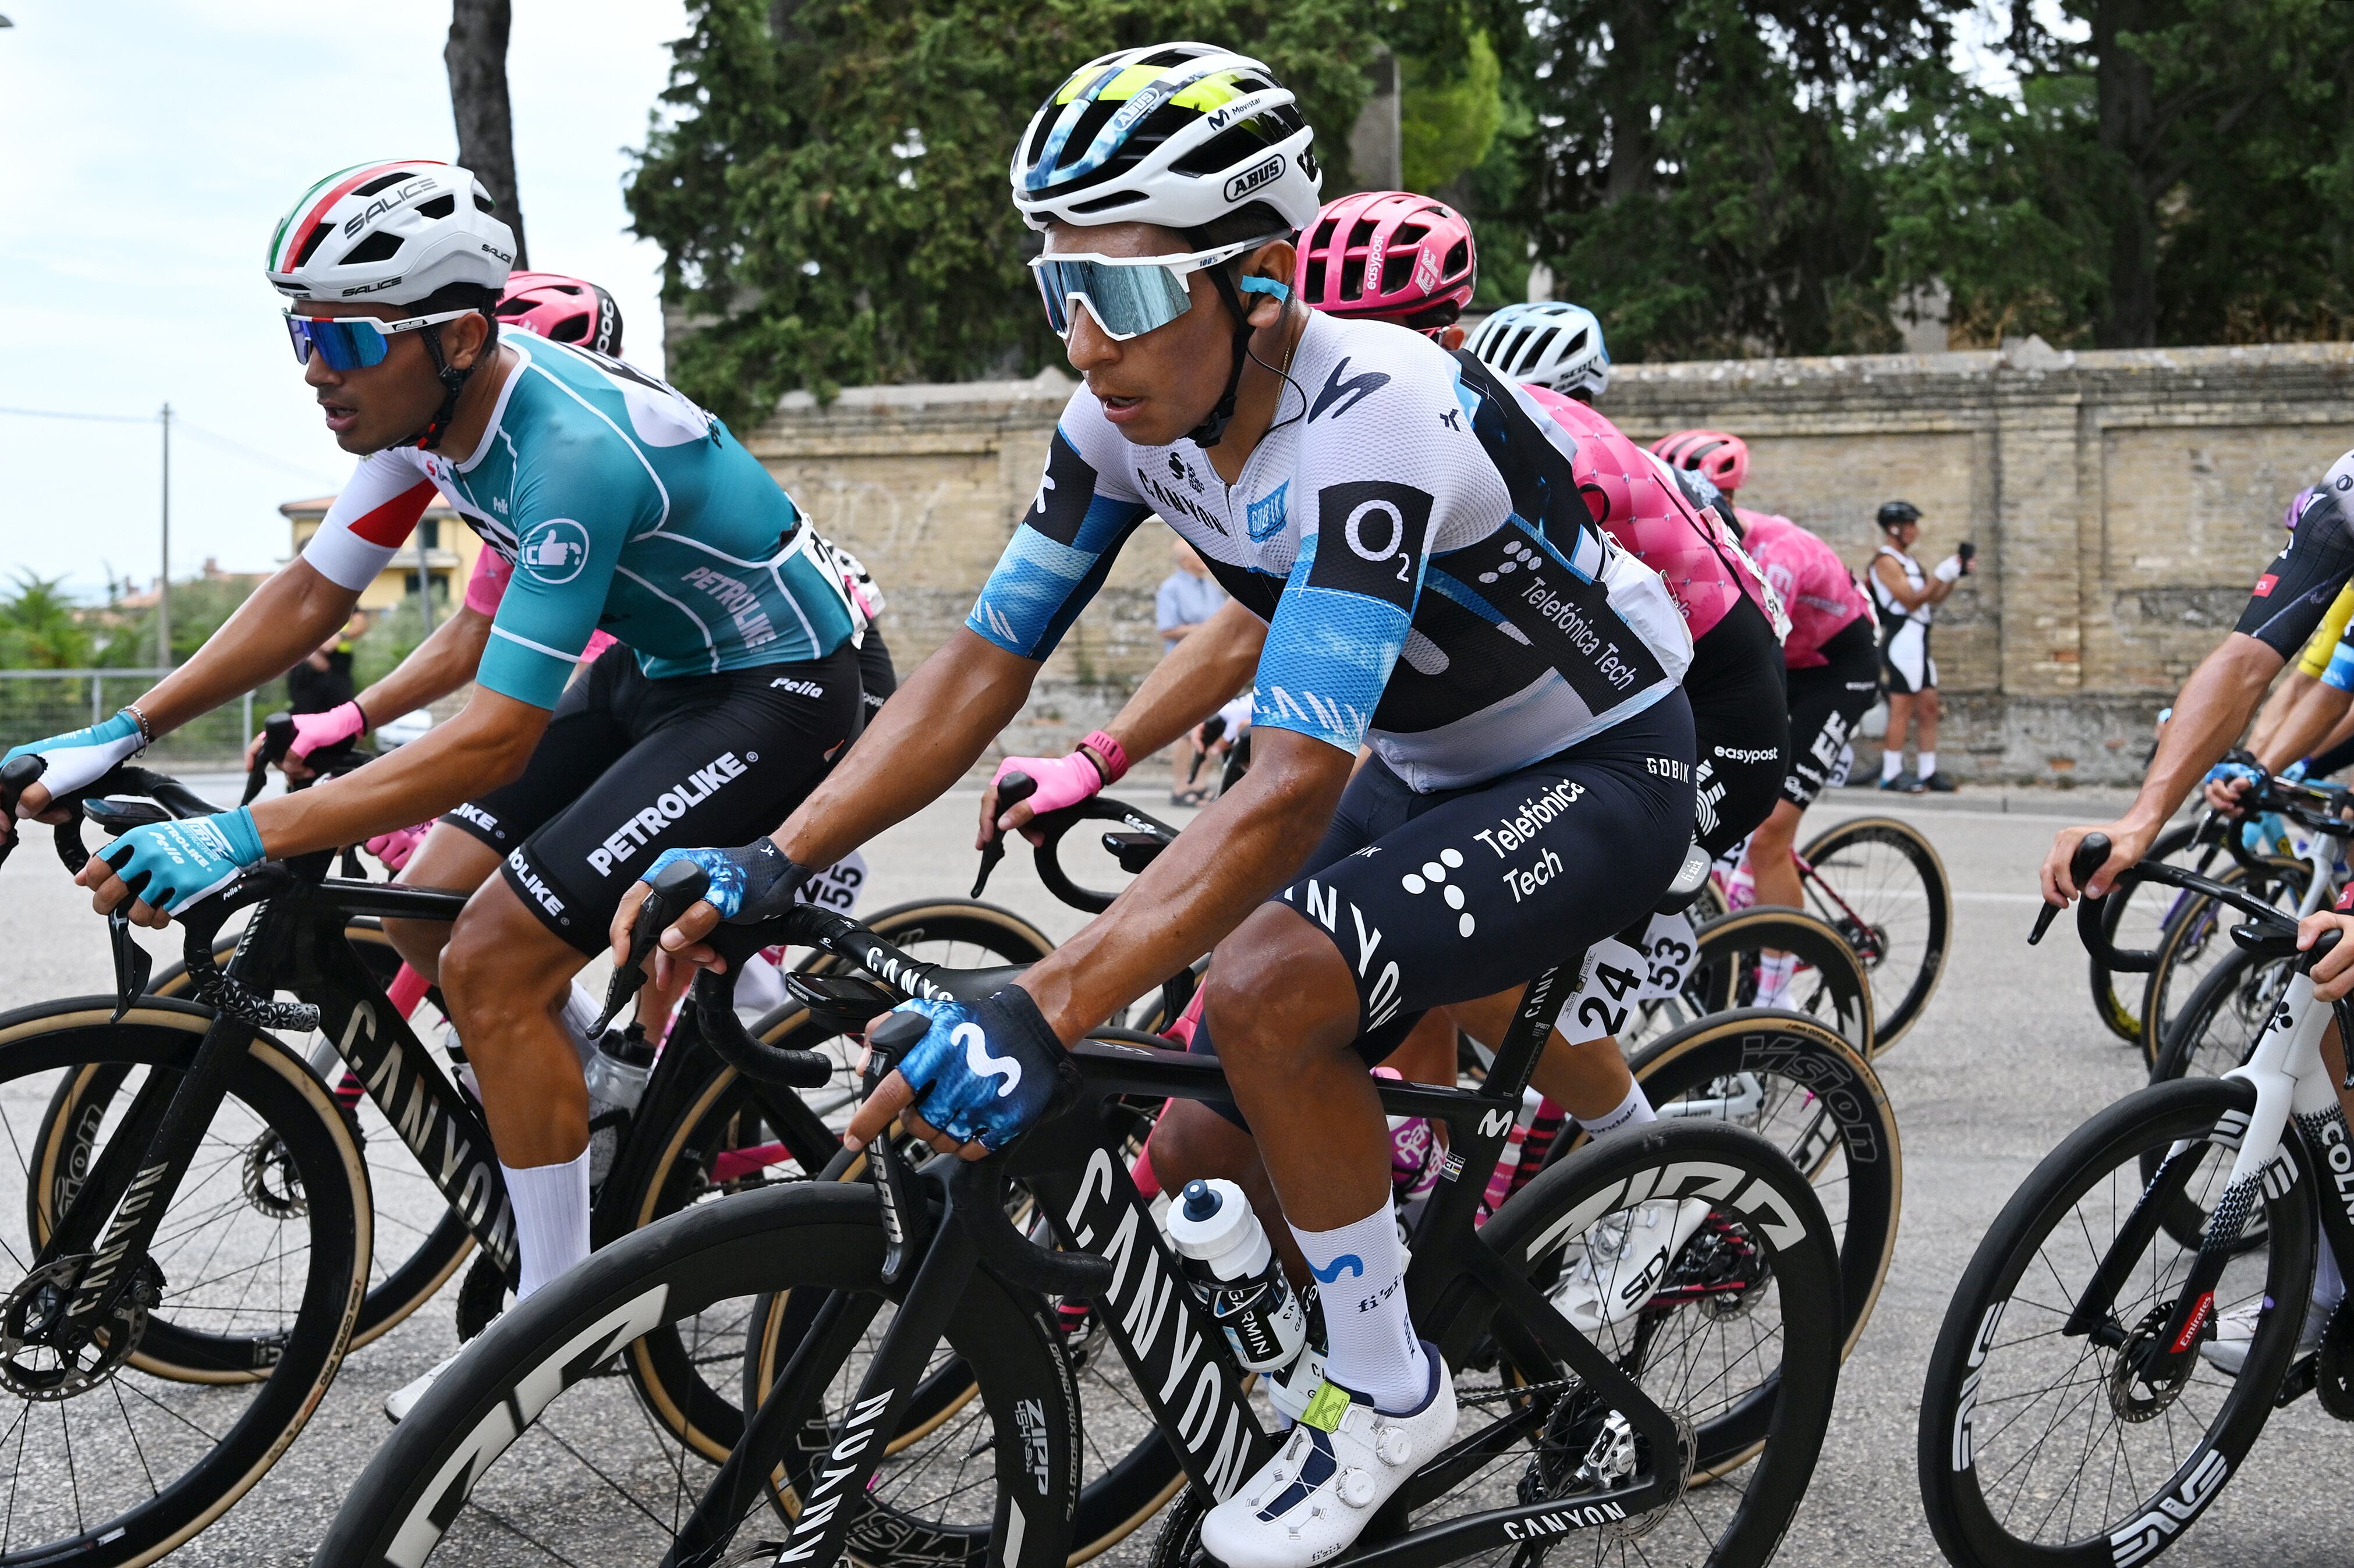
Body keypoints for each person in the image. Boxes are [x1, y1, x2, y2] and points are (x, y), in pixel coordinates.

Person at [614, 48, 1696, 1567]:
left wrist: (1043, 1001)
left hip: (1599, 763)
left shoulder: (1374, 414)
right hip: (1425, 760)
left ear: (1259, 280)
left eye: (1119, 293)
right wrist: (772, 854)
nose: (1083, 341)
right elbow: (980, 667)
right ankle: (1348, 1324)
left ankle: (1391, 1395)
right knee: (1187, 1146)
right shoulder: (1116, 421)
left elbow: (1291, 783)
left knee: (1265, 989)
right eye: (1058, 287)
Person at [2, 163, 870, 1343]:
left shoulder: (567, 453)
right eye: (301, 332)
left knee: (494, 962)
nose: (315, 368)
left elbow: (494, 737)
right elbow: (312, 592)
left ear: (457, 336)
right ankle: (601, 1098)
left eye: (344, 339)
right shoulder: (419, 416)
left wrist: (238, 834)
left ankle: (550, 1323)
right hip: (657, 671)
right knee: (420, 910)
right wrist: (123, 727)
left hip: (776, 690)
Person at [2041, 444, 2354, 1376]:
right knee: (2328, 986)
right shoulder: (2344, 499)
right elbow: (2253, 660)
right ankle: (2331, 1285)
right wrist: (2143, 818)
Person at [1654, 431, 1883, 992]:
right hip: (1778, 666)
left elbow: (1754, 670)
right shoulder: (1687, 542)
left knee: (1768, 834)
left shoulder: (1775, 554)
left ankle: (1776, 996)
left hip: (1836, 670)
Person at [1869, 499, 1970, 792]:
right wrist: (1940, 575)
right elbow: (1911, 601)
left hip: (1919, 641)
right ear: (1894, 528)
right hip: (1902, 642)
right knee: (1902, 709)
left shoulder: (1910, 562)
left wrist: (1952, 576)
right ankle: (1890, 773)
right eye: (1911, 525)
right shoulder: (1886, 561)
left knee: (1928, 707)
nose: (1916, 531)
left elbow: (1932, 597)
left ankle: (1928, 771)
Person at [286, 608, 368, 717]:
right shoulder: (295, 601)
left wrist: (341, 636)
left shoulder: (340, 599)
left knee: (343, 715)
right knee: (304, 716)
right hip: (305, 668)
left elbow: (361, 623)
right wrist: (309, 655)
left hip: (338, 667)